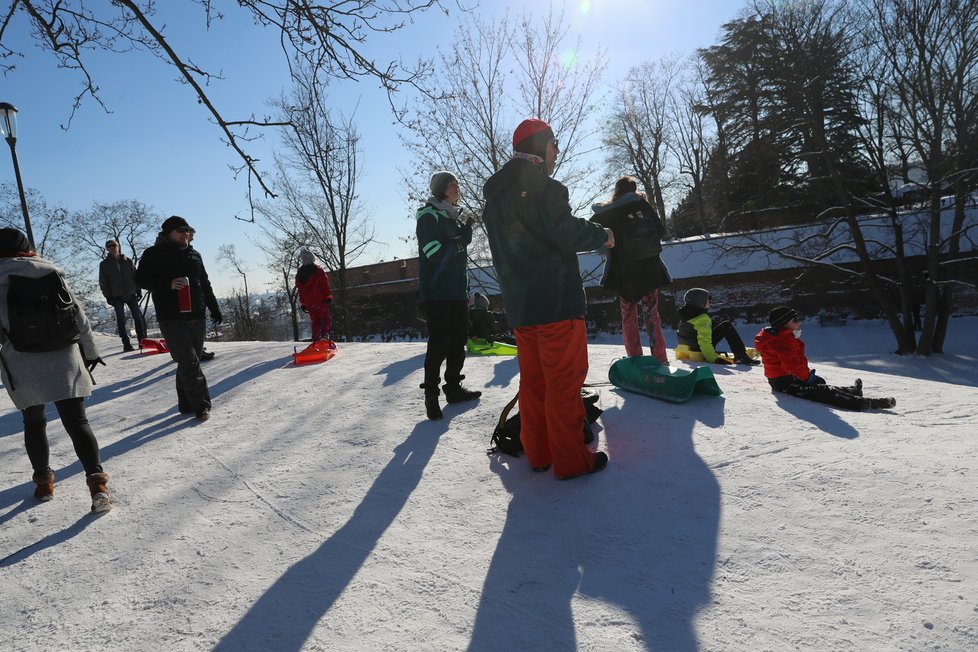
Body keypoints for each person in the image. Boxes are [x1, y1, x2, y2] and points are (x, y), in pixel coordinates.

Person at [482, 118, 614, 479]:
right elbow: (567, 233)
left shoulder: (493, 201)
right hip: (556, 304)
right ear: (540, 147)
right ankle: (572, 460)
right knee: (564, 384)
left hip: (522, 308)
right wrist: (601, 234)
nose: (558, 150)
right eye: (553, 143)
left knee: (534, 382)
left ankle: (538, 454)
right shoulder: (546, 189)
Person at [0, 227, 112, 512]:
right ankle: (98, 486)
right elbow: (79, 317)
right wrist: (90, 353)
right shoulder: (51, 272)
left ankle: (44, 484)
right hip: (64, 357)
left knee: (34, 423)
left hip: (22, 361)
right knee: (77, 422)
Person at [135, 216, 223, 421]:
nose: (187, 234)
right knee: (188, 360)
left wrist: (214, 308)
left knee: (190, 360)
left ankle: (186, 404)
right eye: (181, 231)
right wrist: (168, 284)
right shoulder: (153, 254)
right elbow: (139, 280)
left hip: (196, 314)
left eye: (189, 230)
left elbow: (205, 283)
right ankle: (202, 406)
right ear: (168, 233)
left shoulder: (194, 254)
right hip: (170, 316)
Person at [416, 170, 481, 420]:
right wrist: (458, 242)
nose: (457, 187)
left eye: (457, 183)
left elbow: (456, 257)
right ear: (441, 188)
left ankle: (453, 388)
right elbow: (432, 250)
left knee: (458, 341)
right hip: (436, 292)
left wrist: (461, 238)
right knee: (439, 343)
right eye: (452, 183)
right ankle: (431, 395)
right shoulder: (428, 215)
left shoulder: (451, 216)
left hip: (455, 291)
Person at [590, 176, 672, 364]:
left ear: (616, 191)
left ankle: (635, 360)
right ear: (634, 190)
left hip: (623, 273)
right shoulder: (643, 205)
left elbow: (597, 243)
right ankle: (661, 359)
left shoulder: (606, 213)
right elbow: (660, 231)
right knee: (652, 314)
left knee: (628, 316)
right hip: (650, 270)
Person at [755, 306, 896, 410]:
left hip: (788, 377)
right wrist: (806, 378)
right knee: (821, 392)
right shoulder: (782, 340)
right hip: (784, 382)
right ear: (784, 323)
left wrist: (807, 375)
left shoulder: (782, 337)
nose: (799, 322)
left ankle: (851, 391)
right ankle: (863, 403)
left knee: (820, 384)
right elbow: (792, 365)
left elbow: (795, 362)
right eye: (795, 319)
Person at [676, 287, 758, 366]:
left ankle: (740, 355)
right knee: (726, 326)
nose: (709, 302)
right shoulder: (703, 319)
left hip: (688, 347)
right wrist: (714, 359)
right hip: (699, 349)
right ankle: (741, 356)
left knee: (715, 324)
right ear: (699, 301)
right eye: (707, 299)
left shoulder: (685, 315)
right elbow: (704, 342)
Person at [99, 238, 147, 352]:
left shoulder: (128, 261)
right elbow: (103, 282)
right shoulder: (104, 264)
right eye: (109, 246)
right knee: (121, 320)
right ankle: (126, 344)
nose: (112, 248)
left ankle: (142, 342)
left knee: (138, 317)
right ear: (107, 249)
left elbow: (135, 277)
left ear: (118, 246)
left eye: (113, 245)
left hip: (131, 293)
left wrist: (138, 290)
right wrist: (108, 296)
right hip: (116, 295)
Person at [295, 249, 334, 342]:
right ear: (312, 258)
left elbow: (300, 290)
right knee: (325, 319)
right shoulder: (318, 271)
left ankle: (316, 338)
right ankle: (325, 336)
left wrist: (303, 303)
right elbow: (324, 285)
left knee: (315, 321)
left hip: (309, 302)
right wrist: (328, 297)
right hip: (320, 299)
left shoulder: (299, 274)